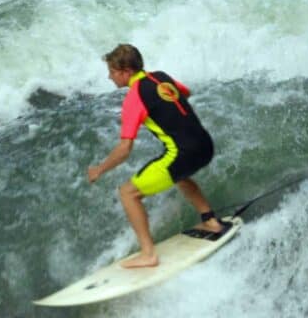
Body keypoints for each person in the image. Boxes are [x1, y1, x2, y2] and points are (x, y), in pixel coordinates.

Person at [87, 44, 223, 269]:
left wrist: (98, 170)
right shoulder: (160, 77)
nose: (109, 77)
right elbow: (184, 93)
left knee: (128, 193)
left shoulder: (134, 97)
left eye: (112, 72)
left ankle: (148, 254)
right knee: (180, 174)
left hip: (183, 153)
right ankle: (210, 221)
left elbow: (124, 149)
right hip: (205, 145)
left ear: (126, 72)